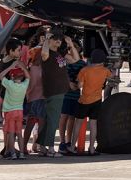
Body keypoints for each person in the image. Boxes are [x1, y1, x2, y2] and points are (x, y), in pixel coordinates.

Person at [37, 29, 80, 157]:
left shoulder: (59, 54)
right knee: (53, 120)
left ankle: (42, 146)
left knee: (50, 119)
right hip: (53, 90)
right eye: (55, 38)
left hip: (61, 90)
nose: (58, 41)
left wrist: (71, 44)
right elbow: (44, 54)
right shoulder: (47, 53)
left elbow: (76, 60)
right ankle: (50, 148)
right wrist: (46, 40)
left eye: (60, 39)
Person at [75, 49, 112, 156]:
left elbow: (79, 86)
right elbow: (112, 78)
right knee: (93, 124)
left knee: (78, 123)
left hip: (84, 100)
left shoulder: (85, 70)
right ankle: (91, 148)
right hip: (97, 100)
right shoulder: (105, 71)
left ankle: (72, 146)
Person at [59, 42, 87, 155]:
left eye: (74, 47)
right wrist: (68, 82)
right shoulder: (63, 60)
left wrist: (79, 84)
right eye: (70, 47)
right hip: (64, 94)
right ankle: (62, 141)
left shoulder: (81, 64)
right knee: (63, 117)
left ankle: (68, 141)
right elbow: (59, 74)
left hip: (75, 94)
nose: (71, 49)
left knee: (72, 118)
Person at [0, 62, 30, 160]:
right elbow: (28, 77)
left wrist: (10, 67)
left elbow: (0, 76)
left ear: (12, 77)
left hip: (9, 112)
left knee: (11, 133)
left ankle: (12, 153)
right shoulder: (24, 85)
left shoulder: (10, 84)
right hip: (19, 111)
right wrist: (24, 68)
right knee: (19, 133)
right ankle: (21, 153)